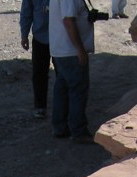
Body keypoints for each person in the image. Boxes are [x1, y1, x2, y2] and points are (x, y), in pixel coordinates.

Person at [49, 0, 96, 144]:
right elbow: (69, 21)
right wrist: (80, 49)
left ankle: (60, 127)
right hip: (70, 51)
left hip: (60, 50)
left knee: (61, 89)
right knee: (78, 90)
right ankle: (79, 131)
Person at [20, 0, 51, 119]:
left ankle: (64, 107)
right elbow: (26, 12)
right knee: (39, 73)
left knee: (63, 75)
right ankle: (40, 106)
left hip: (60, 36)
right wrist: (24, 35)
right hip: (40, 38)